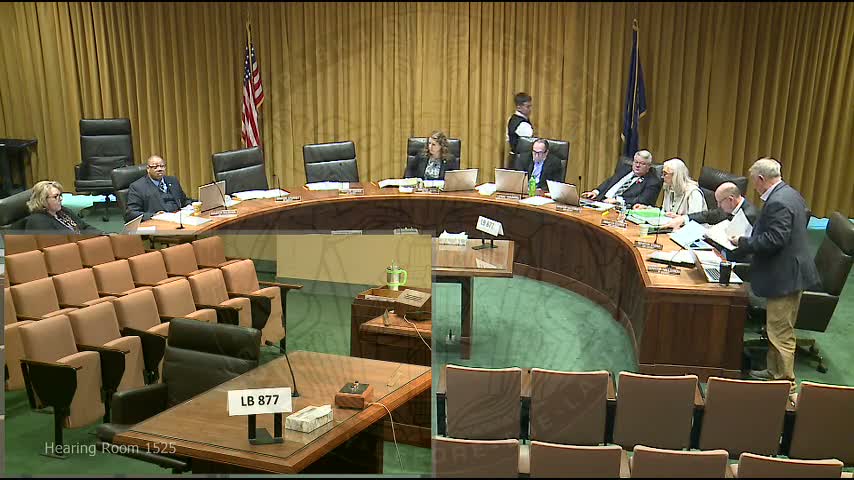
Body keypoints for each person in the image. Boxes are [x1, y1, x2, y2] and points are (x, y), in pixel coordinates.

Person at [729, 158, 818, 391]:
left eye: (754, 182)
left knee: (780, 331)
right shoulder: (790, 193)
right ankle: (773, 372)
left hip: (785, 275)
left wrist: (743, 242)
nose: (754, 187)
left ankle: (785, 385)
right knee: (776, 328)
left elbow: (775, 239)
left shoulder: (778, 201)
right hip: (788, 270)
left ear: (761, 179)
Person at [580, 149, 662, 208]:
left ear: (648, 166)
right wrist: (595, 192)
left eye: (642, 163)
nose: (637, 165)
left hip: (616, 208)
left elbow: (642, 201)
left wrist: (618, 201)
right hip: (599, 201)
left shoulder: (652, 182)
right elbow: (609, 182)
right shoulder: (625, 169)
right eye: (636, 162)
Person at [663, 182, 759, 229]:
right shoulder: (729, 207)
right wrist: (683, 218)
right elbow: (707, 215)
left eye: (720, 202)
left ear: (730, 199)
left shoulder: (749, 215)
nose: (718, 205)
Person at [126, 155, 192, 221]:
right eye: (155, 167)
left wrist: (192, 205)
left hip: (179, 218)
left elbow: (183, 200)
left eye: (162, 166)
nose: (159, 169)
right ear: (148, 169)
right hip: (158, 222)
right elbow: (131, 213)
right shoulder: (137, 187)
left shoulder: (173, 180)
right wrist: (154, 216)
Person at [636, 158, 707, 215]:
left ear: (676, 175)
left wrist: (679, 219)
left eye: (665, 174)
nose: (662, 177)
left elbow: (695, 220)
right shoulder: (669, 187)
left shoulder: (693, 192)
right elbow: (665, 213)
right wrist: (647, 209)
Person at [25, 180, 101, 233]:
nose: (61, 199)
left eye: (60, 195)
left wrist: (102, 235)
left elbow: (84, 227)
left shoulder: (62, 211)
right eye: (55, 196)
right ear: (42, 200)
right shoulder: (38, 222)